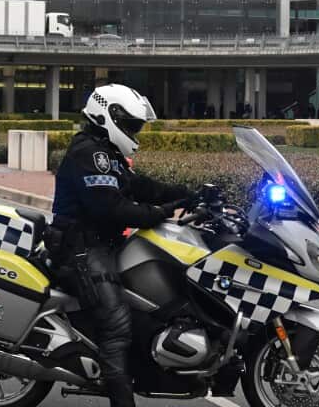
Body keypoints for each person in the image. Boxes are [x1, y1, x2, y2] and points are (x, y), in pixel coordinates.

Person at [50, 84, 195, 407]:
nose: (134, 131)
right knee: (116, 324)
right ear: (109, 115)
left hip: (103, 244)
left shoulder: (106, 152)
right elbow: (111, 208)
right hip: (82, 249)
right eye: (130, 123)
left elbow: (140, 186)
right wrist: (159, 213)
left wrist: (186, 193)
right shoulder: (88, 153)